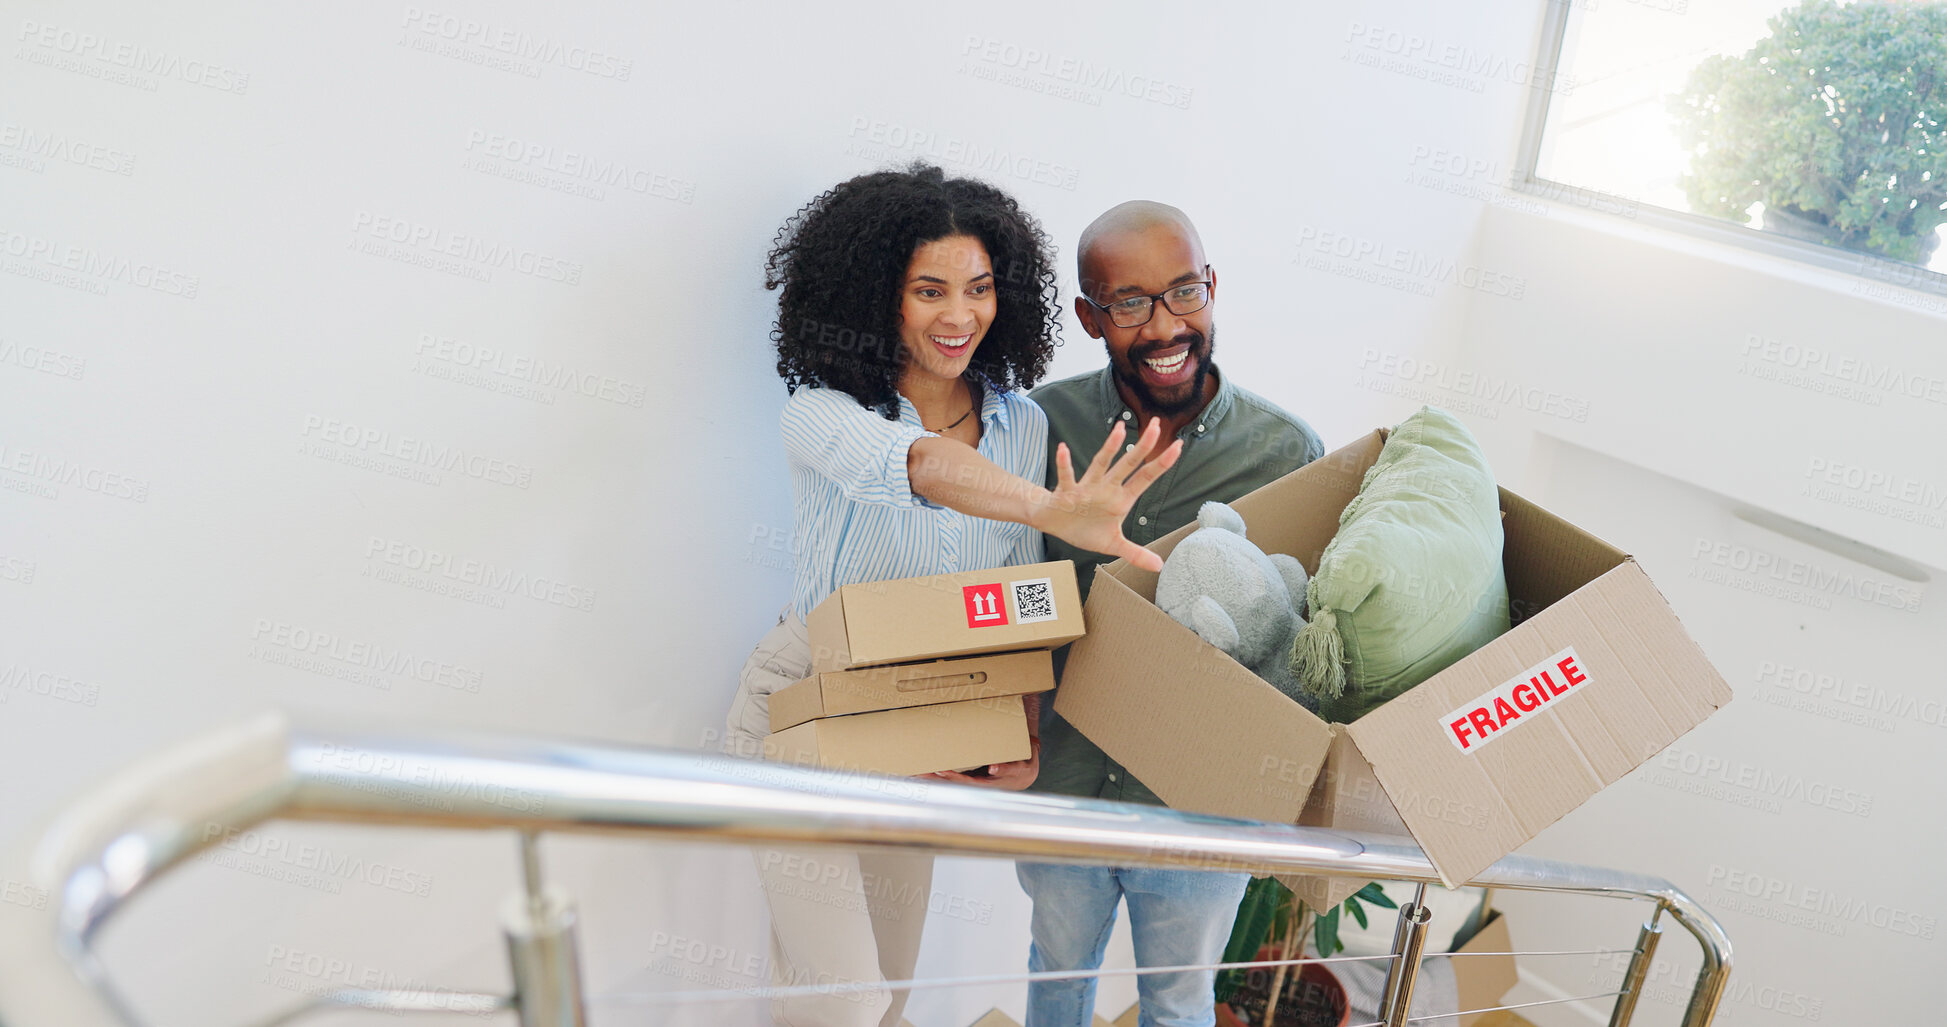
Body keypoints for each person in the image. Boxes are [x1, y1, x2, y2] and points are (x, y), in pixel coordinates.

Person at [723, 166, 1183, 1027]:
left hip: (921, 713)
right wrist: (1054, 509)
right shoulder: (822, 411)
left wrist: (1019, 724)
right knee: (844, 1000)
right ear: (876, 299)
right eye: (928, 290)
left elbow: (1010, 600)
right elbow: (922, 469)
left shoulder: (1023, 426)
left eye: (977, 289)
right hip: (802, 707)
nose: (958, 315)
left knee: (890, 987)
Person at [1018, 201, 1326, 1027]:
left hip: (1197, 802)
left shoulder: (1286, 453)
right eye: (1129, 303)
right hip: (1061, 783)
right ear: (1090, 315)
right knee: (1054, 976)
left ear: (1212, 287)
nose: (1165, 325)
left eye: (1184, 291)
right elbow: (999, 597)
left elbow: (1301, 644)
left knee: (1179, 1000)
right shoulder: (1037, 426)